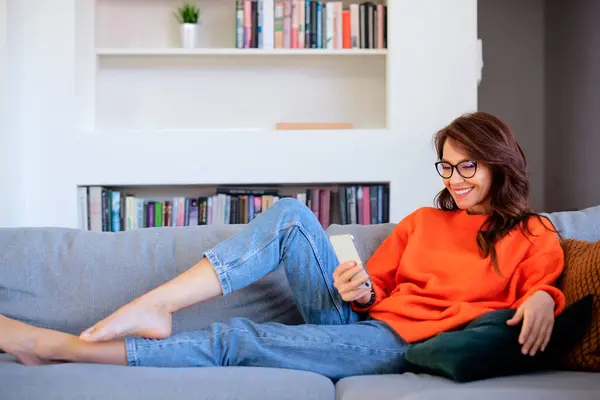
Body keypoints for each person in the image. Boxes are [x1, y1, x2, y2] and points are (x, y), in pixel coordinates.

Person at [0, 112, 565, 381]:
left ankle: (59, 347)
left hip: (402, 348)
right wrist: (358, 286)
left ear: (499, 162)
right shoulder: (423, 221)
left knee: (236, 339)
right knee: (293, 215)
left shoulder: (534, 233)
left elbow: (542, 288)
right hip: (365, 323)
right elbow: (376, 290)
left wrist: (544, 299)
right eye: (447, 165)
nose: (456, 178)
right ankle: (159, 303)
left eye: (469, 165)